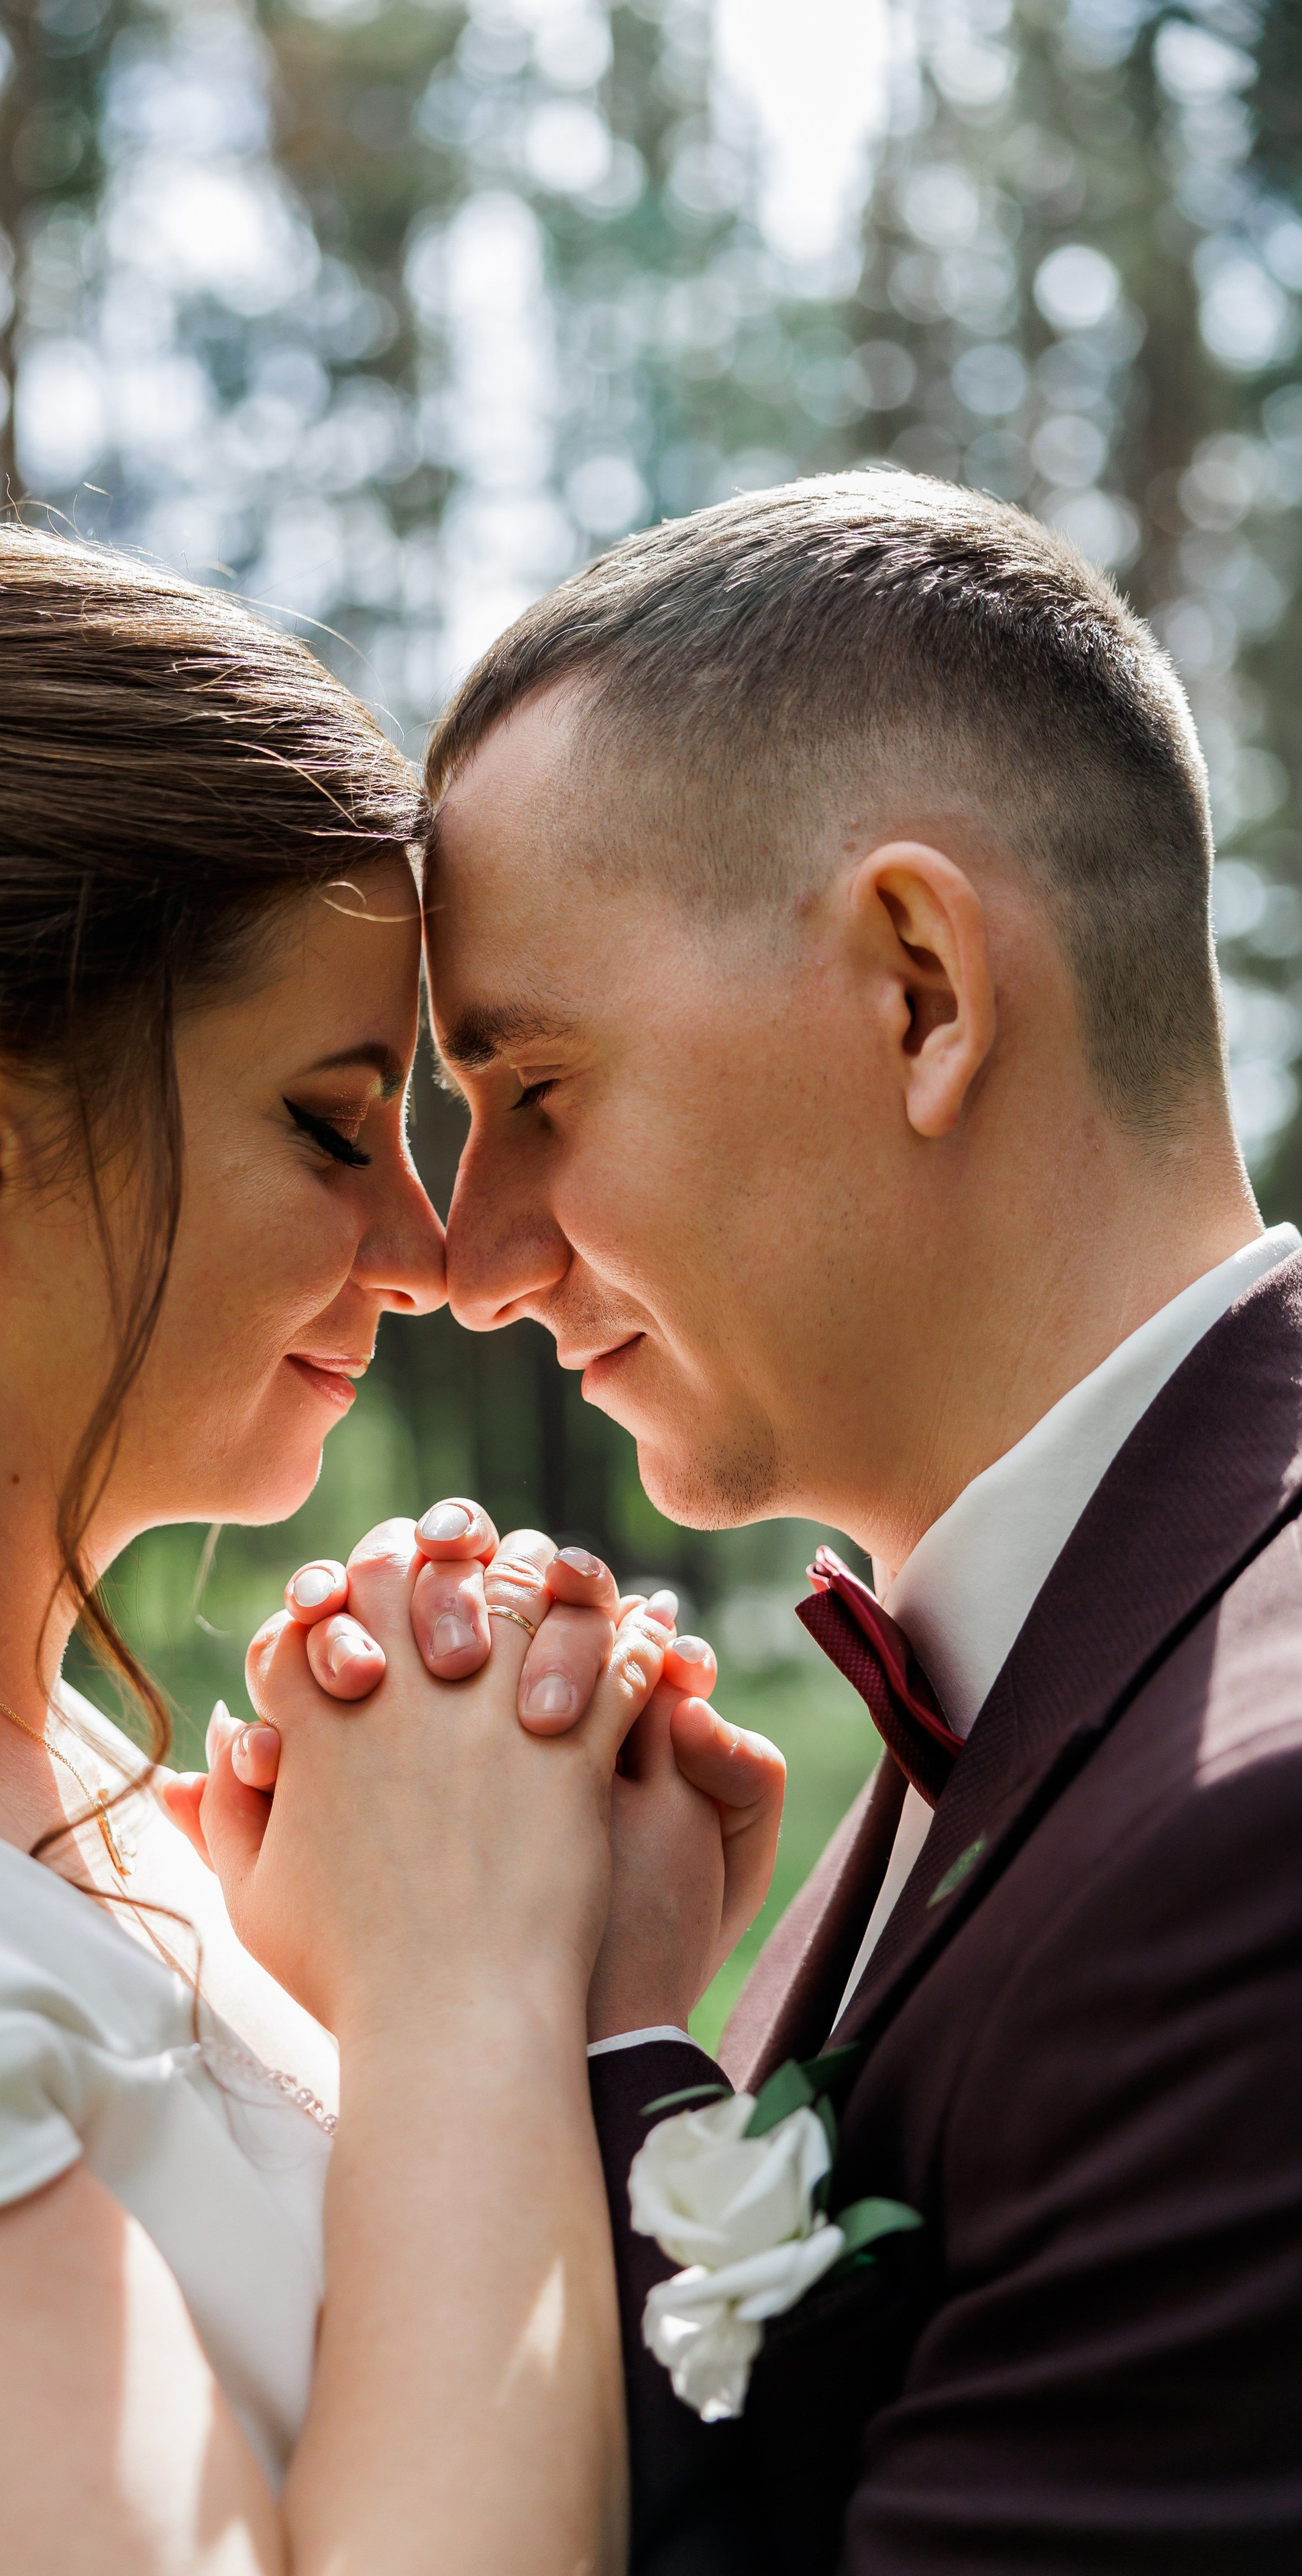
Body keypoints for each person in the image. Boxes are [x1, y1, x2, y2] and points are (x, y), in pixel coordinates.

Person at [0, 515, 784, 2576]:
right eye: (330, 1124)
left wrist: (590, 1997)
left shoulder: (76, 1795)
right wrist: (456, 1982)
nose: (429, 1250)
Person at [410, 472, 1302, 2572]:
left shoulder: (1264, 1830)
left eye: (535, 1092)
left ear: (921, 989)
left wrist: (577, 2035)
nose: (469, 1254)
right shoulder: (1018, 1702)